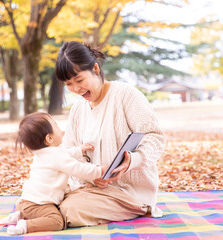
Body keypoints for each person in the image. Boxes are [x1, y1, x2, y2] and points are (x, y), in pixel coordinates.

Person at [55, 41, 166, 227]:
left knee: (69, 211)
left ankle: (141, 207)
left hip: (126, 191)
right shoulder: (78, 109)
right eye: (69, 84)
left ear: (96, 69)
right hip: (88, 188)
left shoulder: (126, 95)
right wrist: (90, 175)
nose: (76, 89)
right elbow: (68, 151)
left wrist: (133, 159)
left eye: (80, 80)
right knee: (40, 200)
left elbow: (155, 137)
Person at [0, 112, 107, 235]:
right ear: (49, 138)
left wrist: (79, 150)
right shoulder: (56, 156)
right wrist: (100, 170)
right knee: (57, 221)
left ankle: (21, 215)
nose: (60, 129)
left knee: (42, 211)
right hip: (38, 205)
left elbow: (65, 153)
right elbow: (78, 168)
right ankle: (25, 224)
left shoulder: (44, 153)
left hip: (26, 201)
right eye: (56, 126)